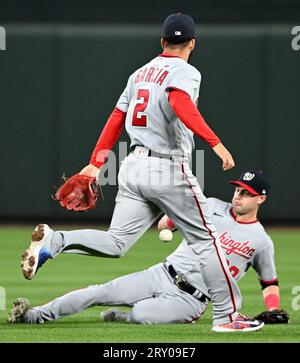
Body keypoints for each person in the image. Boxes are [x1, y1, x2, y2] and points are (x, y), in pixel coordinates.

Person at [20, 13, 260, 332]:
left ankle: (57, 241)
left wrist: (95, 163)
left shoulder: (139, 74)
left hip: (132, 167)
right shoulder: (186, 70)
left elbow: (116, 118)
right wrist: (214, 142)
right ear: (192, 43)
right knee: (208, 239)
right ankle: (227, 318)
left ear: (162, 42)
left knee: (116, 242)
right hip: (167, 168)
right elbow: (179, 101)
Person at [8, 171, 275, 331]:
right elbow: (166, 221)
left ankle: (125, 317)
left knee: (141, 314)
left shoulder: (261, 240)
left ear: (261, 199)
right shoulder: (212, 205)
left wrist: (273, 309)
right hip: (161, 273)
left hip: (190, 300)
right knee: (97, 291)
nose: (238, 196)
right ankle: (34, 316)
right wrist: (171, 221)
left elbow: (269, 281)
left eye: (247, 193)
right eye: (238, 189)